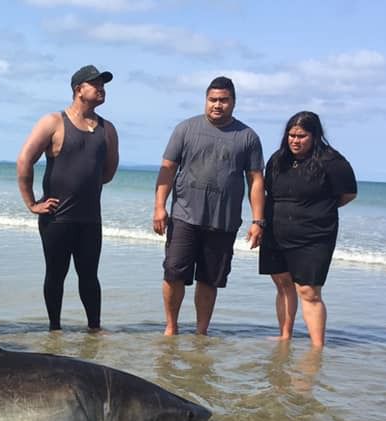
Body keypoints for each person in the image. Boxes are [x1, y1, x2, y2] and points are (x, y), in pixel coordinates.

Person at [153, 76, 265, 335]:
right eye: (212, 100)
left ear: (233, 102)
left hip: (222, 221)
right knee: (173, 273)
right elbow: (167, 169)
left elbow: (256, 180)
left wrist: (258, 221)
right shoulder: (186, 129)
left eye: (224, 100)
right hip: (184, 216)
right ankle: (171, 328)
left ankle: (201, 332)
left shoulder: (247, 137)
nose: (217, 105)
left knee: (209, 279)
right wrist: (160, 206)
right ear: (205, 100)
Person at [17, 64, 119, 331]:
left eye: (103, 84)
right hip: (57, 219)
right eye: (95, 84)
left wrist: (86, 184)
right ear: (78, 89)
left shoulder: (108, 129)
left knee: (89, 277)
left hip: (90, 220)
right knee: (55, 275)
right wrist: (31, 203)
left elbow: (107, 173)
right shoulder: (53, 122)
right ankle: (55, 330)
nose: (101, 89)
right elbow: (25, 160)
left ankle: (94, 330)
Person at [257, 111, 357, 347]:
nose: (295, 140)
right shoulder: (277, 160)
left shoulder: (332, 161)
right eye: (291, 135)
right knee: (282, 283)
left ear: (314, 136)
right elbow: (266, 191)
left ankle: (317, 346)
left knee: (309, 291)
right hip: (276, 230)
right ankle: (285, 336)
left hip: (315, 235)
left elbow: (348, 194)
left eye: (301, 136)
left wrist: (316, 210)